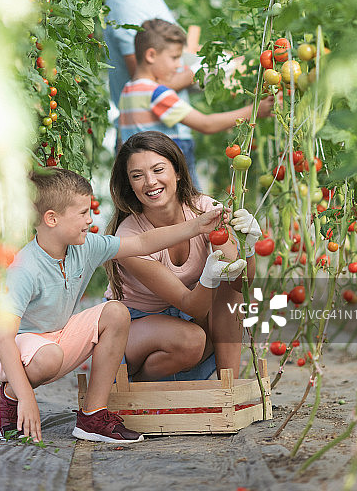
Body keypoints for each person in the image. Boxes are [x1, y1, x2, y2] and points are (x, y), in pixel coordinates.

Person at [0, 167, 239, 444]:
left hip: (57, 338)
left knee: (116, 312)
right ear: (52, 219)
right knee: (49, 357)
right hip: (16, 351)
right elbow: (4, 338)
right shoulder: (25, 268)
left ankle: (93, 416)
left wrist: (196, 226)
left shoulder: (86, 246)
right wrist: (26, 397)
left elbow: (142, 242)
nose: (89, 219)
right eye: (82, 213)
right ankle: (9, 396)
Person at [105, 132, 262, 381]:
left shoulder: (204, 209)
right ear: (129, 185)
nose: (150, 182)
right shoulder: (130, 237)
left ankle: (228, 388)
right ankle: (140, 387)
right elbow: (191, 304)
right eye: (137, 176)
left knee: (227, 293)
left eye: (158, 170)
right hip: (135, 325)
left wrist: (248, 249)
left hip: (186, 318)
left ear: (177, 171)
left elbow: (239, 282)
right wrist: (209, 278)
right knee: (191, 340)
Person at [103, 0, 196, 169]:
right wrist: (206, 68)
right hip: (151, 147)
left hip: (168, 137)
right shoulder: (126, 1)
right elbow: (144, 79)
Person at [118, 18, 274, 145]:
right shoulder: (157, 93)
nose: (179, 64)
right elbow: (206, 124)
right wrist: (254, 111)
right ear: (151, 55)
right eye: (174, 57)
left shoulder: (128, 91)